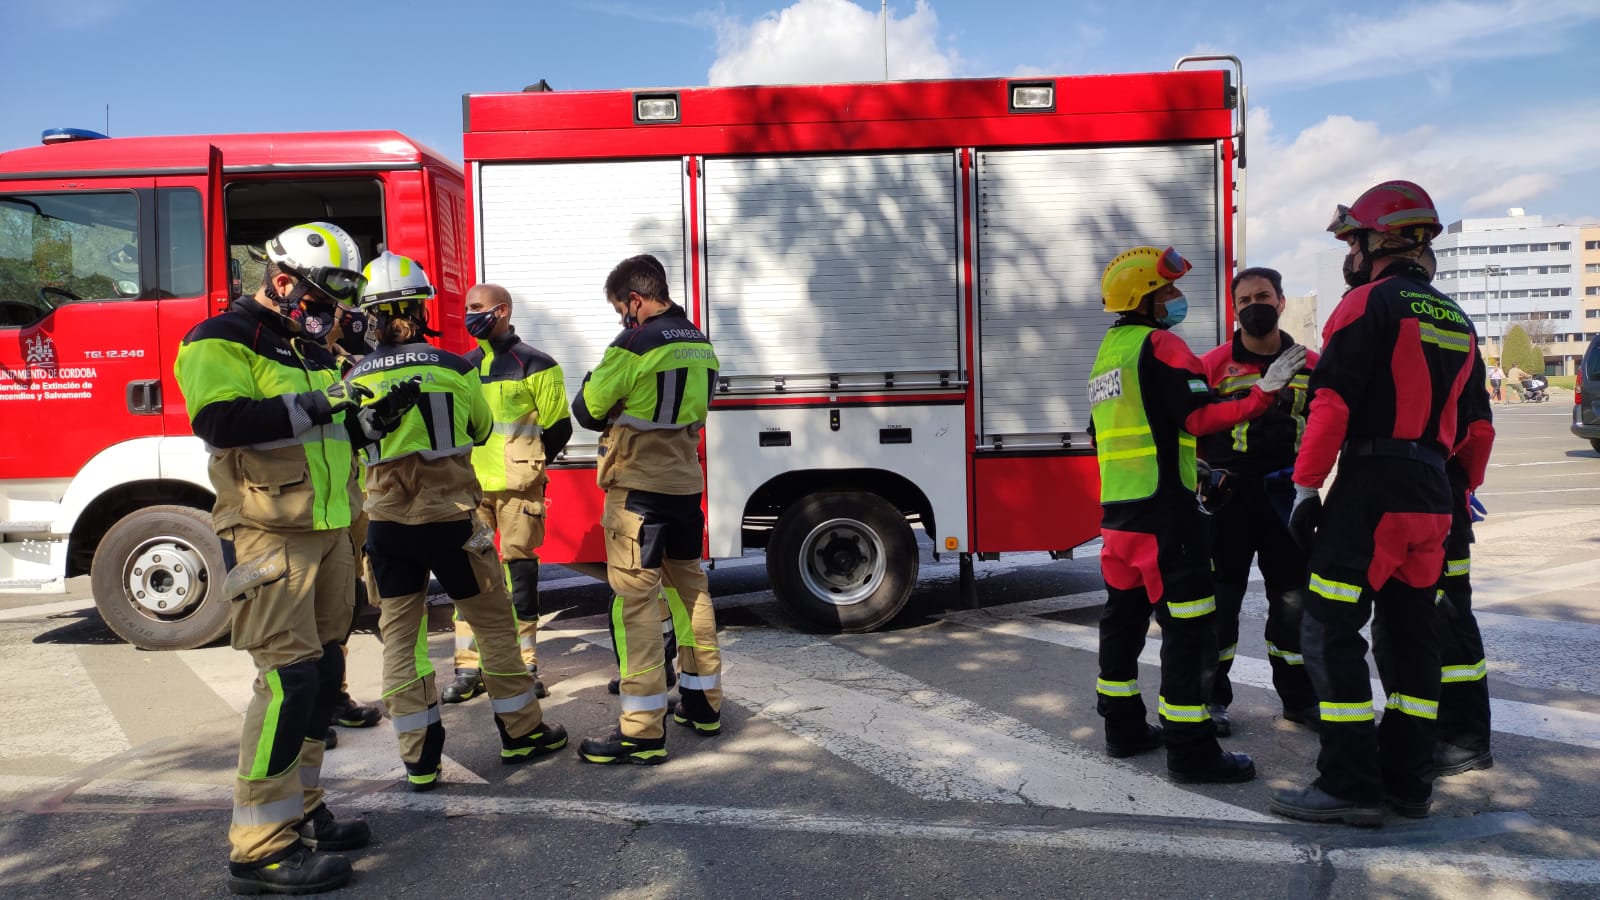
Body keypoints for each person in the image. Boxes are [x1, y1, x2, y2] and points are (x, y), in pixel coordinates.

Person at [175, 222, 415, 894]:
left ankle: (305, 812)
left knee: (325, 671)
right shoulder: (220, 339)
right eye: (323, 297)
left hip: (330, 526)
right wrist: (324, 402)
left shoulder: (301, 343)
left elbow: (320, 425)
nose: (333, 314)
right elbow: (220, 422)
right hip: (271, 531)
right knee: (288, 684)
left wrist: (367, 421)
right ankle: (259, 847)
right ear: (284, 282)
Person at [1272, 180, 1493, 826]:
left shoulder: (1365, 304)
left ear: (1382, 241)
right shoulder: (1458, 320)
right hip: (1435, 496)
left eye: (1355, 240)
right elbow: (1478, 433)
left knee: (1327, 626)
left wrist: (1306, 488)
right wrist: (1459, 493)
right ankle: (1408, 782)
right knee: (1412, 634)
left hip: (1373, 490)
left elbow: (1331, 402)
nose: (1350, 253)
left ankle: (1349, 782)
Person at [348, 252, 568, 791]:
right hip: (452, 522)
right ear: (422, 307)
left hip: (388, 529)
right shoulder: (455, 368)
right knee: (493, 625)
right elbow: (477, 428)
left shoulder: (351, 376)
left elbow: (349, 447)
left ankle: (419, 760)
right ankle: (522, 731)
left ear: (370, 313)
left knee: (401, 638)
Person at [1088, 245, 1306, 784]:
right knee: (1188, 633)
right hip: (1167, 519)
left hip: (1119, 518)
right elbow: (1200, 415)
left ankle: (1123, 729)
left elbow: (1108, 434)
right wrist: (1263, 394)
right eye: (1168, 291)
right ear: (1146, 297)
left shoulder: (1108, 354)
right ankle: (1191, 752)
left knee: (1122, 624)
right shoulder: (1163, 345)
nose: (1177, 299)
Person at [572, 253, 723, 765]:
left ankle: (641, 730)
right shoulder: (700, 342)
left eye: (621, 307)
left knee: (636, 604)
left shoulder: (632, 344)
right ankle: (704, 704)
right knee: (691, 593)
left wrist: (607, 391)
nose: (622, 317)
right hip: (685, 487)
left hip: (638, 492)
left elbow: (589, 410)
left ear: (635, 299)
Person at [1198, 266, 1320, 736]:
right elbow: (1192, 426)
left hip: (1288, 497)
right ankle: (1212, 701)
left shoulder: (1311, 363)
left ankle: (1299, 699)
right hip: (1227, 498)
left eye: (1263, 296)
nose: (1255, 306)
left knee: (1292, 605)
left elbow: (1333, 424)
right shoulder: (1212, 366)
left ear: (1282, 301)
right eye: (1245, 300)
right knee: (1220, 605)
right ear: (1234, 310)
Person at [439, 283, 573, 704]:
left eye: (476, 308)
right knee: (470, 576)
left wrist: (530, 464)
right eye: (466, 308)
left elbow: (560, 426)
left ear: (501, 311)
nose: (469, 315)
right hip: (471, 489)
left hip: (519, 491)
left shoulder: (537, 364)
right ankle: (468, 667)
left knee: (520, 574)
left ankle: (526, 663)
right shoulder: (463, 367)